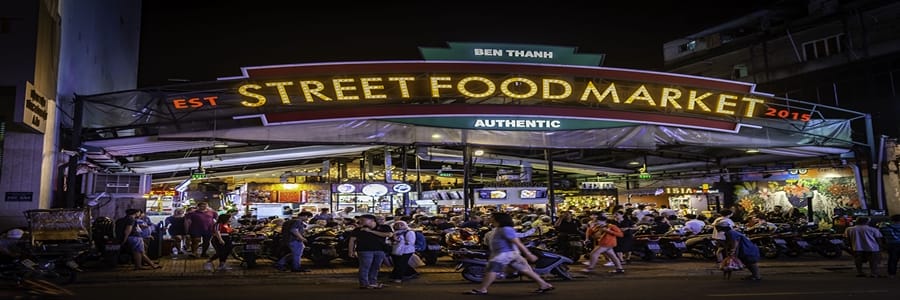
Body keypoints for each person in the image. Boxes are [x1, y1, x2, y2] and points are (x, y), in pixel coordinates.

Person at [465, 213, 554, 295]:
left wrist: (528, 254)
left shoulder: (505, 229)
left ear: (497, 219)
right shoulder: (498, 229)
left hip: (504, 254)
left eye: (491, 217)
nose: (489, 218)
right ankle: (544, 284)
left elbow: (517, 242)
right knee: (525, 270)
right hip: (509, 254)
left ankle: (482, 289)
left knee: (492, 270)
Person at [348, 214, 394, 289]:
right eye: (360, 220)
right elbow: (352, 240)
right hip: (364, 250)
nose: (360, 221)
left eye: (363, 220)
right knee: (365, 267)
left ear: (372, 220)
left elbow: (389, 234)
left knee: (376, 267)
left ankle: (373, 282)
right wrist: (351, 251)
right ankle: (364, 283)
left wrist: (371, 231)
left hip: (380, 250)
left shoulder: (384, 227)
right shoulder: (358, 230)